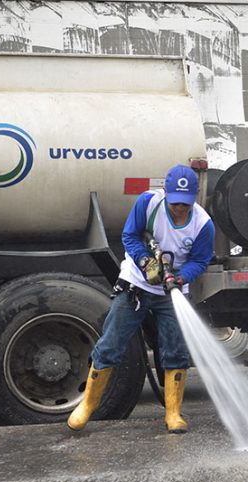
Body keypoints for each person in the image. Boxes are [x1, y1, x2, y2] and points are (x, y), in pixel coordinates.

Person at [67, 164, 215, 434]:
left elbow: (201, 260)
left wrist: (180, 278)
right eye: (175, 203)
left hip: (172, 293)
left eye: (185, 204)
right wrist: (145, 260)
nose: (180, 209)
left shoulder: (203, 224)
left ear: (194, 198)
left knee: (175, 351)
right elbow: (129, 236)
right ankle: (87, 406)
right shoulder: (148, 204)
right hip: (135, 285)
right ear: (165, 193)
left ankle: (173, 413)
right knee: (111, 344)